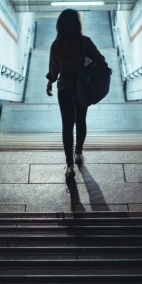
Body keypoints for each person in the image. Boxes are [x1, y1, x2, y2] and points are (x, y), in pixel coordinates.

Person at [46, 9, 105, 178]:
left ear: (60, 26)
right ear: (77, 25)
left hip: (64, 89)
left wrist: (50, 81)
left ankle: (69, 165)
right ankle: (78, 152)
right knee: (81, 120)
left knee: (67, 125)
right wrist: (85, 65)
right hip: (82, 89)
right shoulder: (85, 42)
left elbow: (53, 68)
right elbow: (99, 61)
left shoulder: (57, 45)